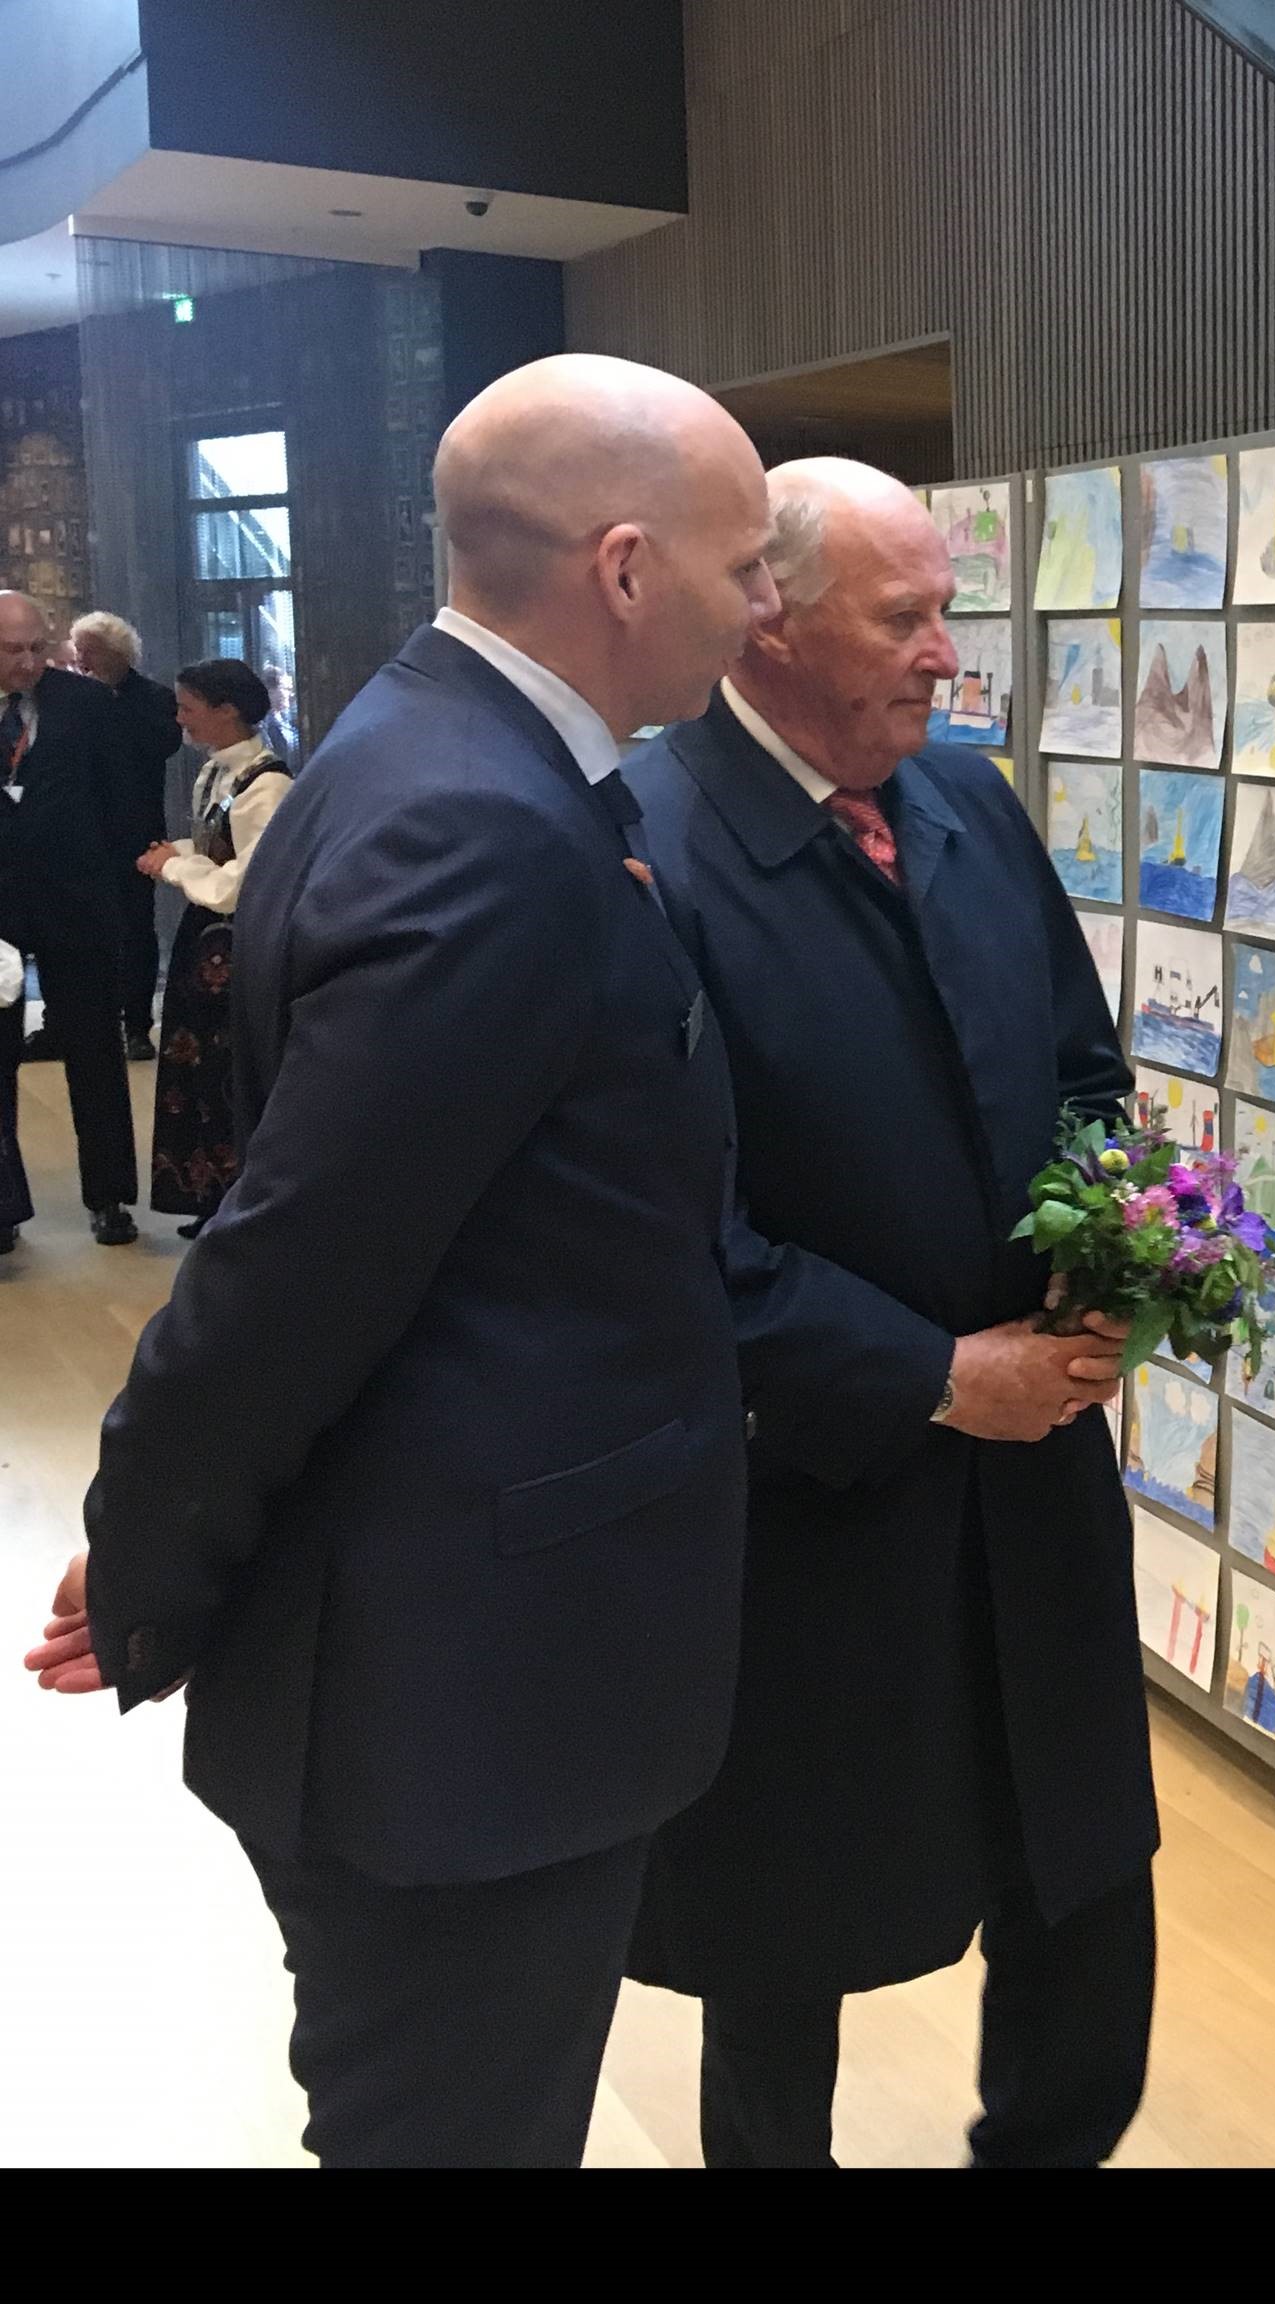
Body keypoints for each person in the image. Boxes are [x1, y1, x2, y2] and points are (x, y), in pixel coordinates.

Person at [21, 354, 781, 2168]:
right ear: (623, 568)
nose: (765, 601)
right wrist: (150, 1551)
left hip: (460, 1653)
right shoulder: (482, 823)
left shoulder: (438, 745)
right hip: (462, 1700)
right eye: (746, 561)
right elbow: (293, 1269)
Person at [620, 457, 1158, 2169]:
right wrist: (930, 1372)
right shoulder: (644, 845)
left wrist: (1107, 1252)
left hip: (1035, 1465)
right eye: (904, 616)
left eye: (947, 611)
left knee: (1081, 1872)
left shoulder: (968, 805)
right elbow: (660, 1235)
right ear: (767, 622)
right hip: (809, 1490)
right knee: (785, 1929)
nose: (945, 653)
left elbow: (1083, 1069)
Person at [0, 589, 143, 1245]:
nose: (28, 663)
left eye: (37, 648)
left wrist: (115, 893)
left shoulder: (85, 704)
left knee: (94, 1053)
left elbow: (121, 804)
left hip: (76, 903)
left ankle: (110, 1197)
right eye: (12, 651)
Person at [136, 657, 290, 1236]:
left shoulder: (267, 787)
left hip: (236, 947)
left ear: (226, 711)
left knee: (229, 1074)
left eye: (188, 708)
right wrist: (178, 854)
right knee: (199, 1070)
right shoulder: (217, 774)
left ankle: (238, 1198)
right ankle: (207, 1193)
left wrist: (176, 867)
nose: (180, 719)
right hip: (203, 944)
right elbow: (213, 850)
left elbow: (243, 884)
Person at [69, 609, 184, 1058]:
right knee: (85, 929)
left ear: (117, 654)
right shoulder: (75, 698)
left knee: (136, 927)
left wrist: (110, 705)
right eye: (79, 651)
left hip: (134, 831)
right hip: (82, 832)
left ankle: (137, 1025)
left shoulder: (153, 698)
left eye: (90, 652)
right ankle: (87, 1021)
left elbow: (162, 744)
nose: (82, 661)